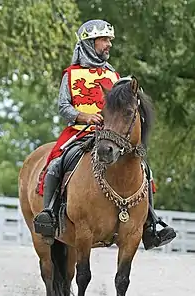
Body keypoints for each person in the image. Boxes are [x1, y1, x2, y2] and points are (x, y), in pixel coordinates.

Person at [34, 19, 176, 250]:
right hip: (79, 131)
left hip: (111, 133)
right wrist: (83, 117)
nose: (108, 44)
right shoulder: (71, 74)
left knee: (144, 168)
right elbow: (63, 106)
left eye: (109, 40)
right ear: (90, 43)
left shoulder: (113, 75)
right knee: (56, 163)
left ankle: (150, 224)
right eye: (104, 40)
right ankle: (49, 214)